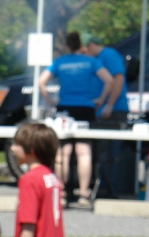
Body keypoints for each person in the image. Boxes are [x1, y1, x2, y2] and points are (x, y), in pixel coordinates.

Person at [38, 31, 113, 206]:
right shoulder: (91, 61)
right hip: (85, 108)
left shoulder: (59, 62)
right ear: (81, 46)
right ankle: (84, 193)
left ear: (67, 46)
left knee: (63, 151)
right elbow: (109, 80)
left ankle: (62, 193)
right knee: (84, 151)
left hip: (65, 108)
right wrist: (100, 100)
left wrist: (50, 101)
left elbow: (41, 81)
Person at [10, 123, 65, 237]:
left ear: (31, 150)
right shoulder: (51, 177)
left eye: (17, 145)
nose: (12, 148)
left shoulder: (29, 180)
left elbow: (28, 222)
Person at [81, 33, 128, 122]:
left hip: (114, 110)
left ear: (91, 45)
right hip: (100, 110)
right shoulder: (95, 59)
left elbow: (118, 79)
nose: (83, 56)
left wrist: (109, 105)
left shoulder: (109, 55)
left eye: (83, 52)